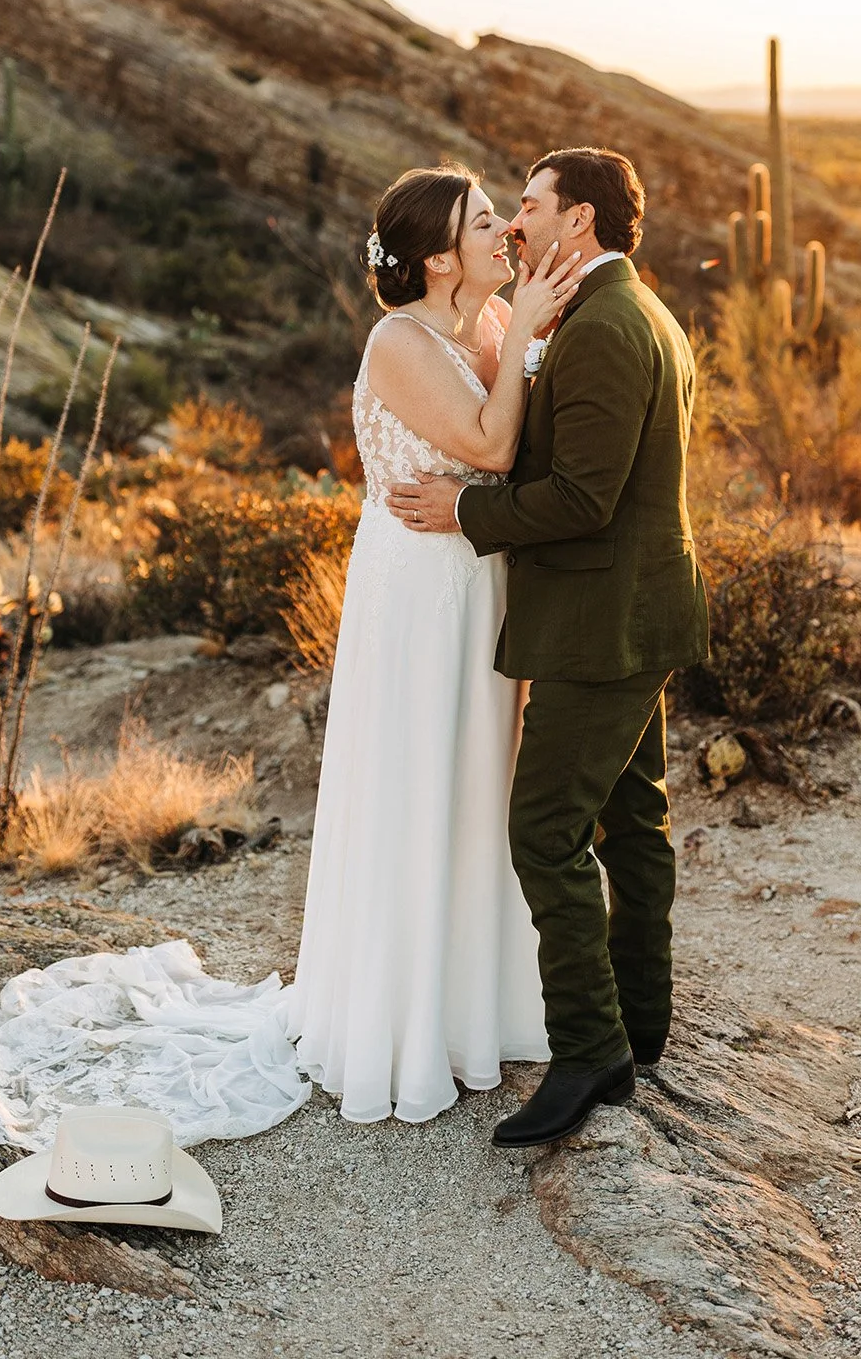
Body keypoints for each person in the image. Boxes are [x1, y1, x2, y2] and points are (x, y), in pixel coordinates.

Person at [387, 148, 709, 1148]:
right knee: (631, 815)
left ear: (577, 220)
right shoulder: (630, 309)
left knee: (545, 831)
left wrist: (464, 506)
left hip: (599, 626)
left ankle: (588, 1050)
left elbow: (583, 498)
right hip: (627, 613)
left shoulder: (610, 326)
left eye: (526, 206)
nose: (515, 224)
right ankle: (640, 1023)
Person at [286, 162, 583, 1123]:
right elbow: (492, 449)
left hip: (478, 579)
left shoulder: (486, 325)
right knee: (419, 778)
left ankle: (472, 1008)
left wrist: (524, 329)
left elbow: (514, 446)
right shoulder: (397, 341)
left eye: (503, 216)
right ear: (435, 258)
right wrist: (532, 324)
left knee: (478, 785)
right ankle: (400, 1026)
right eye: (485, 221)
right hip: (416, 590)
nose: (504, 233)